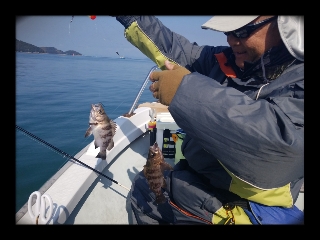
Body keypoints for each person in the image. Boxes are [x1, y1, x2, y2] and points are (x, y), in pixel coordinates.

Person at [112, 15, 304, 224]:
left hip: (251, 206)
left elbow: (283, 146)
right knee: (144, 188)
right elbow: (174, 48)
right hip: (200, 181)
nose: (231, 40)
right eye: (227, 32)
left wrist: (185, 91)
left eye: (241, 31)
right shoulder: (224, 60)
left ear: (286, 24)